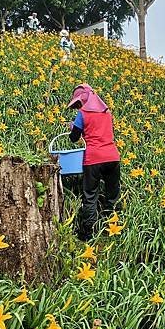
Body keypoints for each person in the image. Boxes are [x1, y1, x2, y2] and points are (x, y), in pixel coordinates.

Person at [68, 84, 121, 241]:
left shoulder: (82, 114)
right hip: (113, 157)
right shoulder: (107, 112)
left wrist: (73, 127)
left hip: (94, 159)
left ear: (82, 100)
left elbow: (74, 138)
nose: (79, 106)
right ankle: (110, 229)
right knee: (112, 196)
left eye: (79, 103)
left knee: (90, 196)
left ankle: (87, 234)